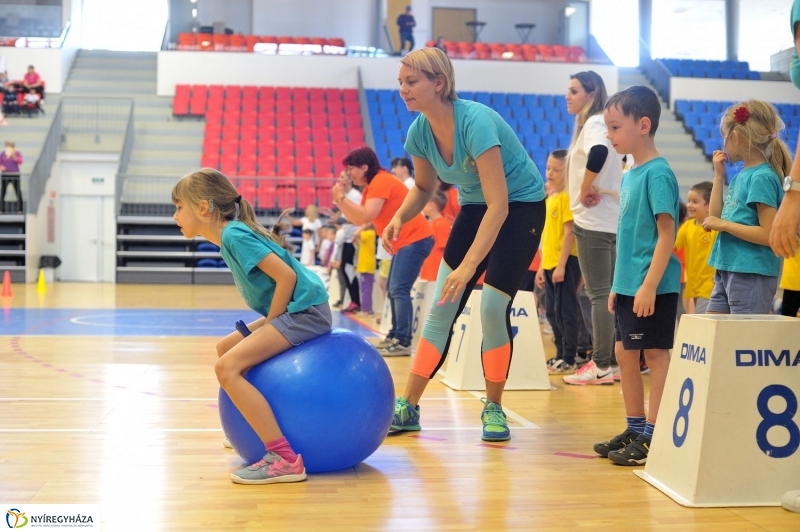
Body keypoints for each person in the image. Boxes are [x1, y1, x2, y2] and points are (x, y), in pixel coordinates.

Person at [387, 48, 546, 441]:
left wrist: (467, 266)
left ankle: (494, 408)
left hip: (520, 205)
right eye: (401, 83)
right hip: (478, 205)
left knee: (492, 308)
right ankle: (408, 406)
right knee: (442, 305)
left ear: (438, 83)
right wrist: (399, 217)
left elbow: (500, 206)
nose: (403, 90)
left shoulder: (474, 122)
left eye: (412, 82)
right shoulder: (419, 132)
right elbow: (424, 187)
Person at [171, 168, 330, 485]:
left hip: (305, 311)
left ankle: (284, 459)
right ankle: (246, 430)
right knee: (225, 349)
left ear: (203, 208)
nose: (175, 215)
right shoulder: (230, 236)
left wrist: (272, 324)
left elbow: (286, 276)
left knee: (226, 367)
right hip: (297, 309)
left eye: (179, 207)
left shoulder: (233, 235)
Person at [593, 86, 681, 466]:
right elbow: (628, 236)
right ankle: (635, 426)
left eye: (614, 127)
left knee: (656, 355)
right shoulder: (631, 172)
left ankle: (654, 435)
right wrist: (618, 285)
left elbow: (666, 234)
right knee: (623, 353)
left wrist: (646, 285)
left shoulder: (658, 173)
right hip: (629, 285)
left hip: (653, 286)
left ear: (642, 125)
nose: (609, 136)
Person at [333, 146, 433, 356]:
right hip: (407, 240)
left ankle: (402, 341)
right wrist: (339, 200)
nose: (349, 173)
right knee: (394, 287)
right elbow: (358, 219)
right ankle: (396, 335)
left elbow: (366, 215)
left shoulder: (380, 181)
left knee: (398, 289)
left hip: (414, 239)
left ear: (364, 167)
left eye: (351, 168)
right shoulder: (372, 185)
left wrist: (341, 199)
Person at [562, 71, 625, 386]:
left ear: (592, 93)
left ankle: (600, 364)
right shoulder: (606, 124)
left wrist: (585, 186)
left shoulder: (595, 123)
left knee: (599, 294)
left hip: (594, 219)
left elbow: (598, 154)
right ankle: (610, 363)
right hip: (611, 218)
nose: (568, 96)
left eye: (574, 90)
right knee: (608, 293)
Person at [702, 101, 789, 314]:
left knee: (742, 340)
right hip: (728, 267)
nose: (723, 143)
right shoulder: (742, 174)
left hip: (750, 271)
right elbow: (714, 218)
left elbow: (769, 234)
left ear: (736, 137)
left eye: (724, 136)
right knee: (717, 336)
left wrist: (724, 224)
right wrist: (718, 175)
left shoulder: (761, 177)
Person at [534, 149, 581, 375]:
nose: (550, 173)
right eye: (548, 168)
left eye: (556, 169)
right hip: (550, 264)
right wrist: (542, 267)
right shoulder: (551, 198)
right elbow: (546, 236)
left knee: (566, 311)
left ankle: (570, 357)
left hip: (566, 263)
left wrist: (561, 265)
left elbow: (569, 232)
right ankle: (560, 353)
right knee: (552, 311)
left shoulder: (567, 198)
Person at [674, 182, 717, 314]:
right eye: (689, 201)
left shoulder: (716, 227)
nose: (689, 205)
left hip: (709, 286)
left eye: (695, 201)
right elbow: (672, 246)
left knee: (702, 323)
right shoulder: (687, 226)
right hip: (692, 286)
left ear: (709, 205)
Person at [327, 171, 363, 312]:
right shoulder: (346, 196)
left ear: (349, 179)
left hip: (354, 237)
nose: (339, 179)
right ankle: (353, 300)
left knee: (349, 269)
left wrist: (342, 220)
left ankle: (356, 301)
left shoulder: (355, 196)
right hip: (347, 238)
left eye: (342, 177)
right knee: (344, 269)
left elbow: (360, 217)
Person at [419, 190, 452, 282]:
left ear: (431, 206)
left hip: (435, 273)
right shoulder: (432, 224)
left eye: (424, 203)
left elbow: (444, 250)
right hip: (428, 271)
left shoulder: (441, 224)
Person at [355, 224, 377, 315]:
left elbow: (355, 234)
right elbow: (359, 244)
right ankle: (367, 309)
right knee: (365, 288)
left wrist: (363, 226)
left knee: (366, 289)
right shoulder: (368, 234)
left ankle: (366, 310)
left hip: (366, 265)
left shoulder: (369, 233)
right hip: (365, 264)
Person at [0, 141, 23, 213]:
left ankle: (20, 209)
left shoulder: (17, 153)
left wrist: (13, 155)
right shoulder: (3, 154)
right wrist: (1, 167)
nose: (7, 147)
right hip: (5, 174)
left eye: (9, 146)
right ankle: (1, 209)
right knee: (3, 191)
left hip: (14, 174)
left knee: (17, 191)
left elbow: (20, 161)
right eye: (7, 146)